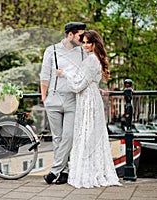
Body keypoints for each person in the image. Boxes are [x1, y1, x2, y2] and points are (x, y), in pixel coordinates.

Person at [56, 30, 121, 188]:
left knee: (86, 133)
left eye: (88, 42)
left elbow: (79, 84)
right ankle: (94, 170)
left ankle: (87, 174)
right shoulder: (96, 58)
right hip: (93, 97)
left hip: (87, 100)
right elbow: (89, 80)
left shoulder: (91, 60)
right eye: (83, 42)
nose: (85, 45)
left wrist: (64, 73)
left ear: (94, 44)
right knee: (92, 134)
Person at [40, 22, 86, 184]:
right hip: (53, 98)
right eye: (81, 35)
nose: (83, 38)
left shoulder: (82, 52)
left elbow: (88, 73)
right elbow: (45, 74)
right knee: (57, 138)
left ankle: (54, 170)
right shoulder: (51, 50)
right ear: (71, 34)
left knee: (69, 136)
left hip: (73, 99)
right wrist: (44, 97)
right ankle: (64, 172)